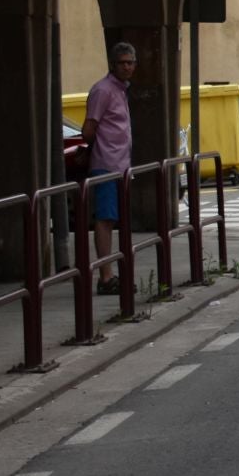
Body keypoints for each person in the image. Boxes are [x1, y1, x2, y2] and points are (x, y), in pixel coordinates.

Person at [81, 42, 137, 294]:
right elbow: (88, 129)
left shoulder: (121, 90)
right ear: (112, 65)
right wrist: (100, 147)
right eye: (122, 62)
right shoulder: (103, 91)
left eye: (131, 62)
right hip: (106, 165)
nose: (127, 66)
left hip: (121, 166)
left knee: (114, 219)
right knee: (105, 219)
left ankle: (113, 273)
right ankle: (106, 276)